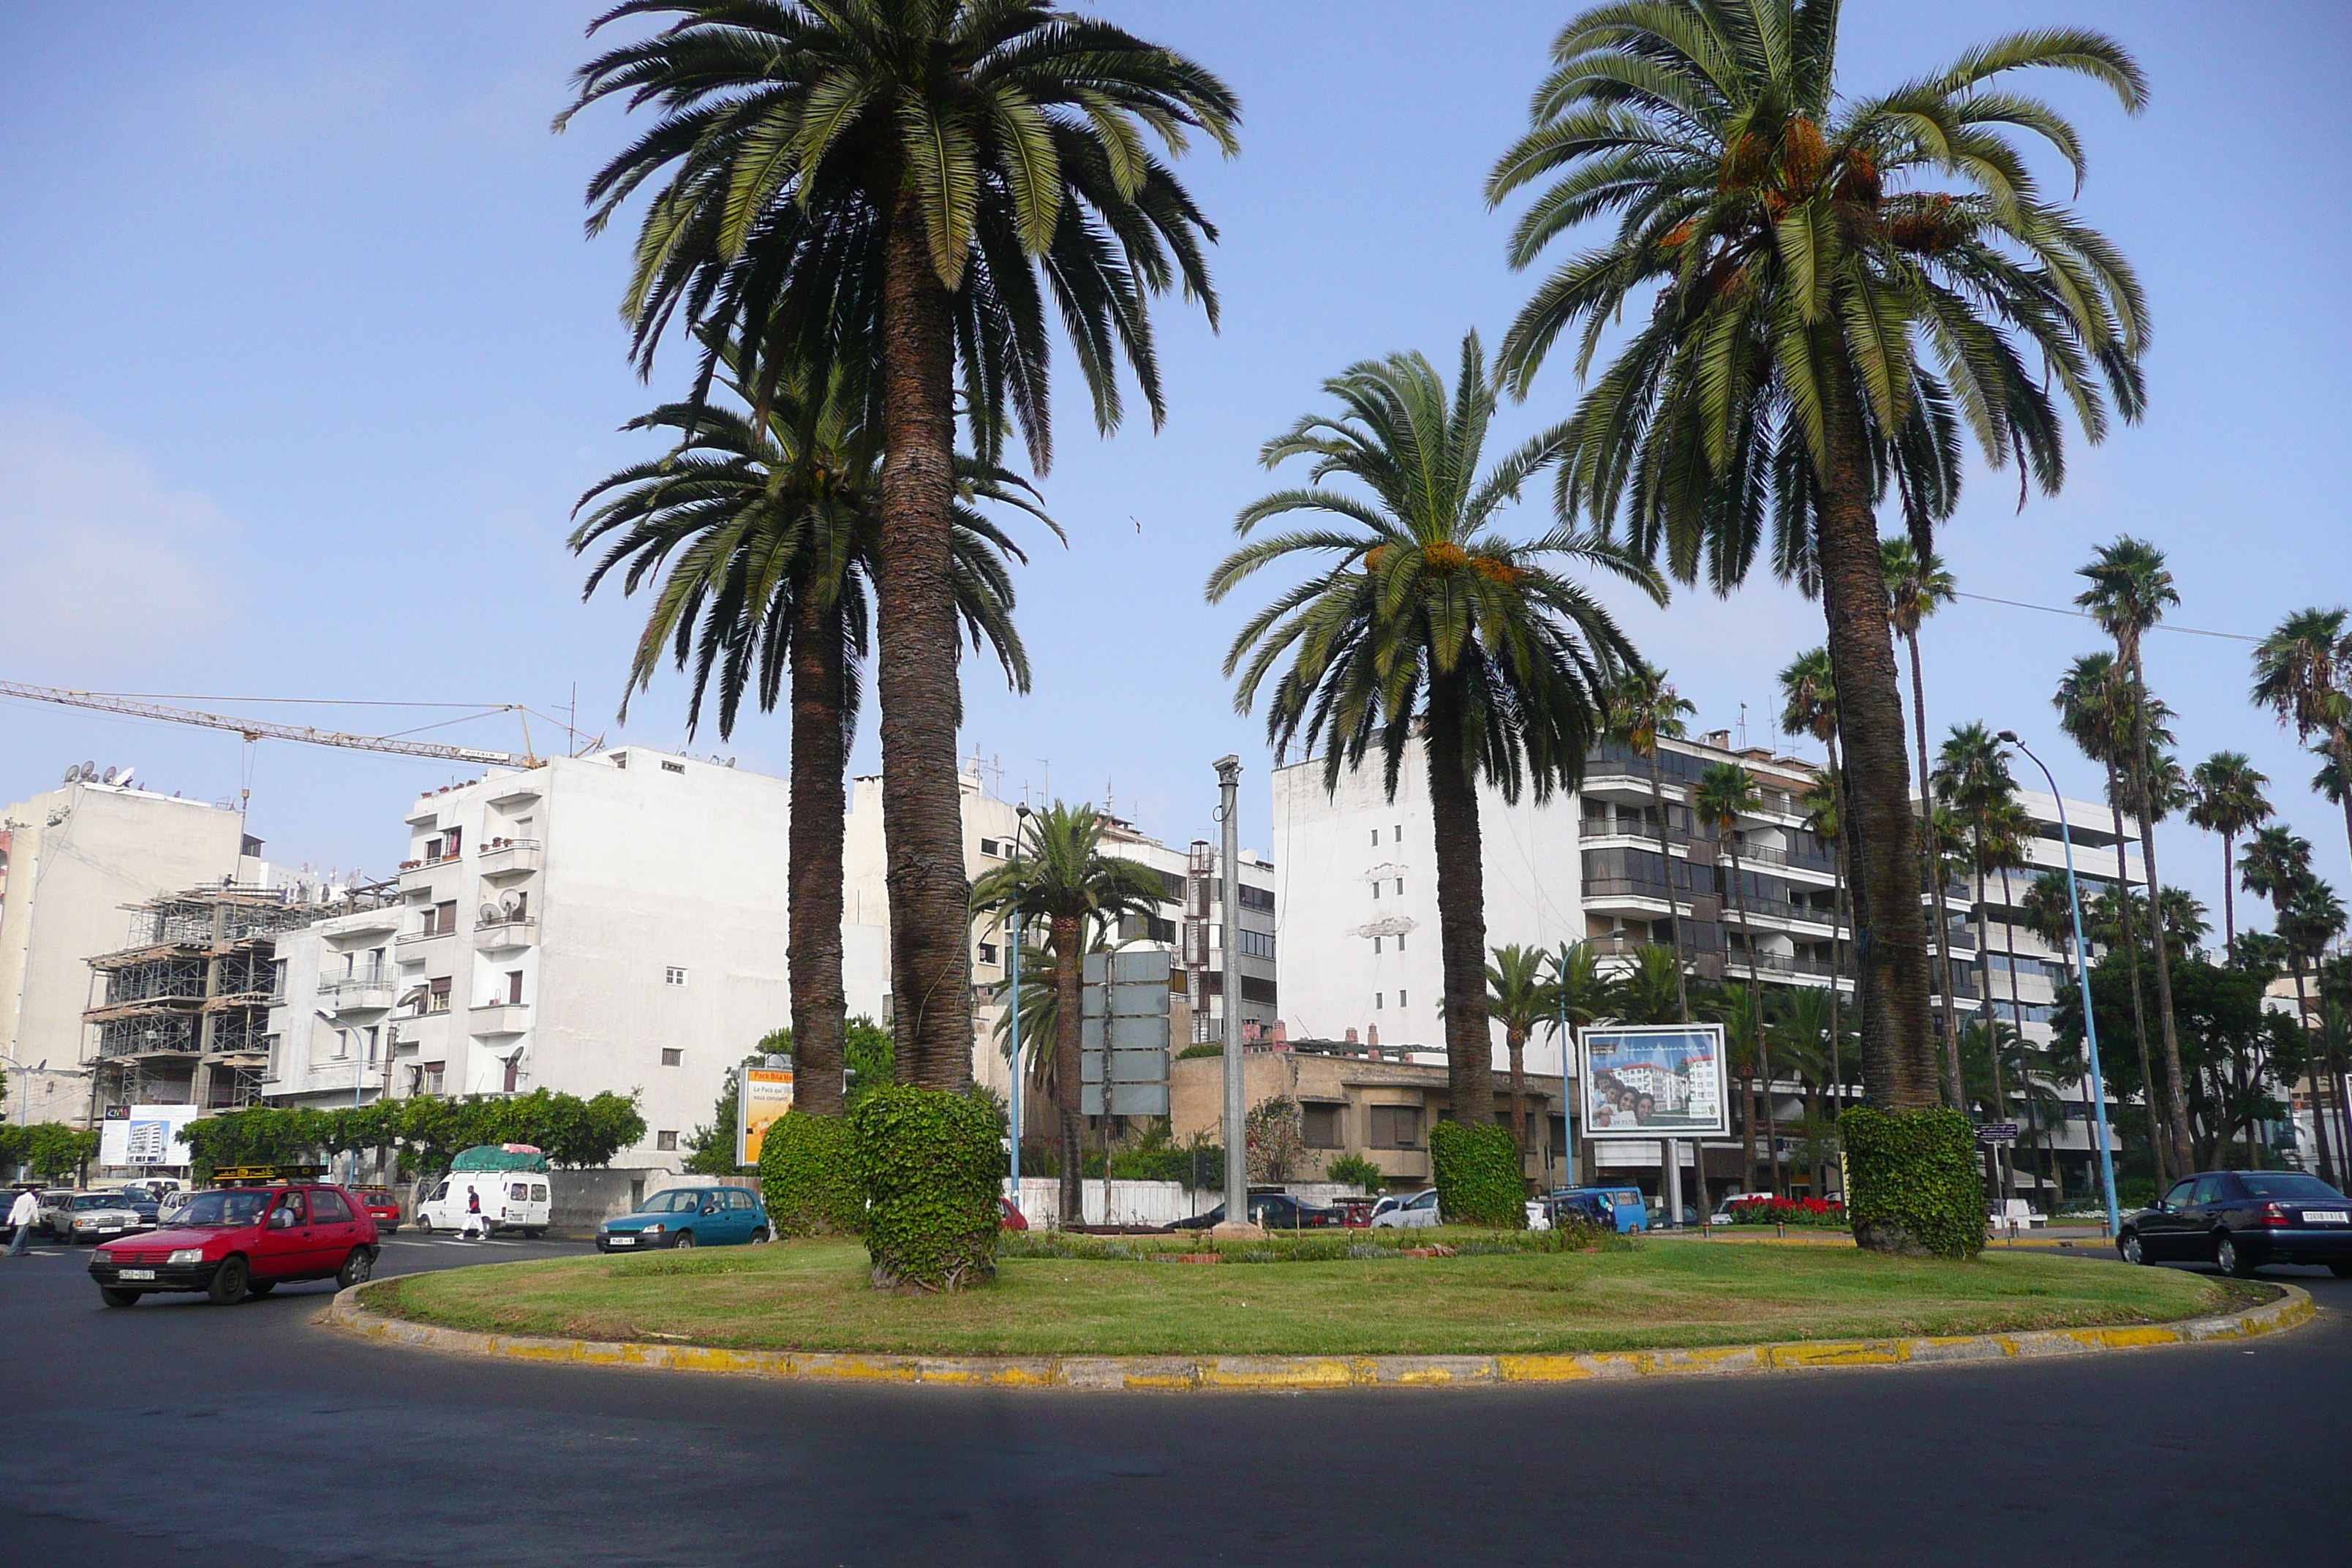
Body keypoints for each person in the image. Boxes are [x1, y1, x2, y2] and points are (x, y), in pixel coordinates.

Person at [7, 1188, 39, 1256]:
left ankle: (23, 1250)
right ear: (32, 1190)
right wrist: (37, 1219)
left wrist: (10, 1219)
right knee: (19, 1235)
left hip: (19, 1219)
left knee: (25, 1235)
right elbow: (34, 1209)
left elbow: (15, 1209)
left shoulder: (20, 1198)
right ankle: (12, 1251)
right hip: (25, 1219)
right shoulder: (32, 1198)